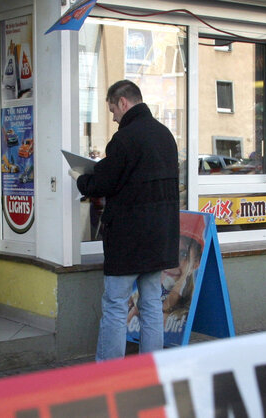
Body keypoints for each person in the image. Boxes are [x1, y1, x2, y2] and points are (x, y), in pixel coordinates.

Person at [69, 80, 180, 361]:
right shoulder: (165, 135)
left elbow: (104, 182)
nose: (113, 117)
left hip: (128, 241)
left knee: (116, 306)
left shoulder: (124, 139)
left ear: (123, 102)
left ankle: (110, 373)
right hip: (160, 238)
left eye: (112, 110)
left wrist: (81, 179)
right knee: (153, 304)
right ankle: (152, 368)